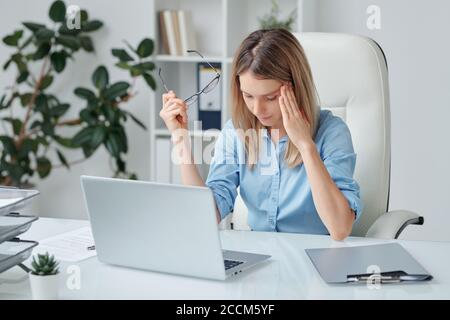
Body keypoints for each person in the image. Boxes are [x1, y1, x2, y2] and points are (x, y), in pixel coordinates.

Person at [159, 28, 362, 240]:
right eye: (248, 96)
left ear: (296, 88)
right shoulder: (236, 132)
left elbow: (340, 228)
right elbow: (203, 217)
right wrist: (179, 136)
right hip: (260, 256)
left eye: (271, 97)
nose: (257, 110)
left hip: (315, 259)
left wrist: (305, 145)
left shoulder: (332, 133)